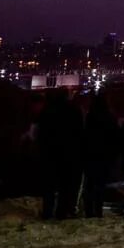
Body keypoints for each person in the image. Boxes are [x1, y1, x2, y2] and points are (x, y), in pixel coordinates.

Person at [37, 88, 84, 220]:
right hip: (68, 154)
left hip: (50, 154)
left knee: (49, 187)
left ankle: (47, 212)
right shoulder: (74, 110)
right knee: (65, 186)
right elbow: (79, 133)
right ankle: (61, 213)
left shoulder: (47, 111)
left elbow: (41, 134)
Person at [82, 96, 118, 218]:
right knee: (100, 185)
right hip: (105, 155)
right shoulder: (111, 118)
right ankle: (98, 211)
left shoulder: (90, 117)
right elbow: (115, 137)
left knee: (90, 185)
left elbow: (85, 136)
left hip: (90, 155)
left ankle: (88, 211)